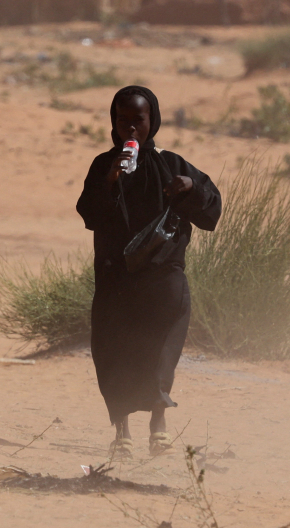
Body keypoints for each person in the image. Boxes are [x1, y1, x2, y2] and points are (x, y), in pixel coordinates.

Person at [76, 86, 221, 460]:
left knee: (159, 345)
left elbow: (211, 211)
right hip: (116, 277)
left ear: (151, 120)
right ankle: (121, 431)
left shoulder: (171, 164)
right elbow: (89, 214)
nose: (130, 129)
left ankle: (158, 426)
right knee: (115, 351)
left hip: (161, 275)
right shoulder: (102, 165)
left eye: (137, 121)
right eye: (122, 120)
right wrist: (110, 182)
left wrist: (190, 188)